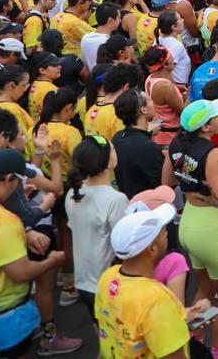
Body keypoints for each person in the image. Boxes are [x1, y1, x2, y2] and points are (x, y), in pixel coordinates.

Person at [0, 149, 64, 359]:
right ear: (9, 179)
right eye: (18, 180)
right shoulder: (3, 220)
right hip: (5, 318)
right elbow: (21, 273)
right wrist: (51, 261)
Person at [163, 98, 218, 359]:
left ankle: (193, 345)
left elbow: (167, 181)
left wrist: (195, 188)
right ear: (205, 127)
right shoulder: (212, 152)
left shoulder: (176, 143)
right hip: (212, 228)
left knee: (205, 290)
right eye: (216, 116)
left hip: (189, 223)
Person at [96, 202, 195, 359]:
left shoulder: (107, 277)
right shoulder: (157, 299)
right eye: (163, 233)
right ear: (152, 248)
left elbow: (110, 333)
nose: (167, 235)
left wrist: (179, 316)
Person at [64, 134, 129, 320]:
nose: (116, 151)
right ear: (108, 163)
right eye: (113, 149)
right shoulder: (116, 199)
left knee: (103, 337)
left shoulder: (73, 193)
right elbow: (123, 246)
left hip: (83, 280)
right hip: (108, 283)